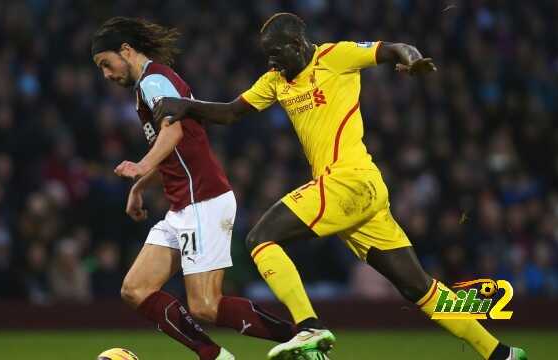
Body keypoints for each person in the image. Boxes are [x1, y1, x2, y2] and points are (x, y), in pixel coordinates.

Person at [153, 12, 528, 360]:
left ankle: (309, 326)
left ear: (298, 44)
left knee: (260, 239)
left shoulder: (337, 56)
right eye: (267, 57)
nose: (272, 63)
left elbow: (393, 48)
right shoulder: (276, 81)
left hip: (349, 180)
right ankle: (502, 354)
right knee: (420, 289)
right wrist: (188, 106)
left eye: (276, 54)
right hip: (354, 194)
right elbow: (233, 111)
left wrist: (411, 60)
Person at [91, 17, 298, 360]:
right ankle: (214, 355)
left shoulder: (153, 83)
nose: (106, 74)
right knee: (136, 289)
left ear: (126, 51)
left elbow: (174, 135)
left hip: (203, 199)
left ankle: (300, 338)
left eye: (106, 64)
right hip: (182, 204)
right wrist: (141, 185)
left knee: (205, 305)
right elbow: (176, 151)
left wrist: (141, 166)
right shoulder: (154, 82)